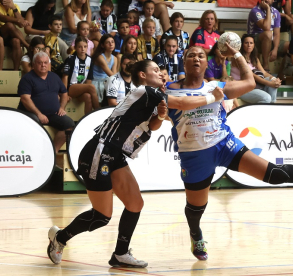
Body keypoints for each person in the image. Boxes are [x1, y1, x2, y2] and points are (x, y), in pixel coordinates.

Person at [165, 44, 293, 261]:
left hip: (224, 145)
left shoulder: (217, 86)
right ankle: (196, 233)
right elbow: (157, 117)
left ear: (207, 63)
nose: (196, 59)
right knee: (196, 207)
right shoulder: (170, 89)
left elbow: (250, 82)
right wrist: (160, 115)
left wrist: (236, 54)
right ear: (184, 61)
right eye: (191, 56)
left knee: (275, 174)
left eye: (201, 56)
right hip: (194, 154)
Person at [46, 58, 225, 268]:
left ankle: (120, 254)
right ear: (142, 75)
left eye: (162, 71)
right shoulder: (146, 91)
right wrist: (212, 96)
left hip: (116, 155)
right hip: (100, 151)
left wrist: (160, 115)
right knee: (102, 216)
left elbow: (154, 125)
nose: (162, 74)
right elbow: (182, 103)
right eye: (156, 70)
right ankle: (60, 238)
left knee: (135, 204)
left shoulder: (150, 98)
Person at [18, 52, 75, 153]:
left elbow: (64, 93)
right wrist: (39, 114)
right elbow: (25, 99)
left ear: (49, 64)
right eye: (40, 63)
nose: (43, 65)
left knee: (69, 124)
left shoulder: (54, 77)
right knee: (34, 121)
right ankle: (33, 152)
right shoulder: (27, 78)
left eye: (45, 62)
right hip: (31, 114)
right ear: (34, 64)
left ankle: (53, 152)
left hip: (53, 114)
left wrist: (62, 107)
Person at [231, 34, 280, 103]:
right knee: (266, 98)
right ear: (242, 45)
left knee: (272, 81)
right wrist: (269, 83)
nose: (249, 45)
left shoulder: (254, 59)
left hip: (252, 86)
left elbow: (264, 73)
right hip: (241, 88)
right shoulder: (238, 58)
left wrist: (275, 79)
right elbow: (251, 75)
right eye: (246, 43)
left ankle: (272, 106)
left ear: (254, 45)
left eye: (251, 43)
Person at [0, 0, 31, 70]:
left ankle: (16, 70)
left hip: (10, 35)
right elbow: (1, 17)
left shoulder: (15, 6)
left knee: (16, 41)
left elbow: (21, 24)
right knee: (9, 25)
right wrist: (17, 20)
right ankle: (26, 45)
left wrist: (14, 8)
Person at [63, 36, 98, 115]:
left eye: (85, 47)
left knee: (88, 96)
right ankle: (98, 111)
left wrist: (85, 89)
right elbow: (65, 77)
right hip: (71, 87)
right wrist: (64, 94)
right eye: (80, 47)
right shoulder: (70, 59)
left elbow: (89, 79)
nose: (82, 49)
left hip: (81, 88)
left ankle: (87, 119)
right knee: (91, 87)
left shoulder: (90, 60)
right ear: (75, 47)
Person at [247, 0, 285, 71]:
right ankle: (265, 65)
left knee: (289, 45)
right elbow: (266, 27)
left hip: (269, 40)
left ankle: (282, 73)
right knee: (268, 33)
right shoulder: (255, 11)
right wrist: (268, 9)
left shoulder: (276, 12)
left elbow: (276, 34)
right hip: (254, 41)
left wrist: (275, 49)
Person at [92, 34, 118, 103]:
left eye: (112, 42)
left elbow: (114, 75)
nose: (111, 44)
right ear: (102, 45)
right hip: (97, 81)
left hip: (106, 80)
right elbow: (110, 74)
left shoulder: (115, 58)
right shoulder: (100, 57)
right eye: (108, 42)